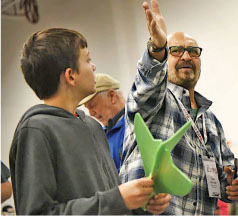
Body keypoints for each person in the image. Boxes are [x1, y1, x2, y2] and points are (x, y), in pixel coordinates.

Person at [9, 28, 171, 214]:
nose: (93, 67)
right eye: (87, 59)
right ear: (71, 75)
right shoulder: (36, 131)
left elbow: (108, 204)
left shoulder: (93, 126)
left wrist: (141, 206)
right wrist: (117, 199)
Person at [120, 0, 238, 215]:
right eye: (176, 51)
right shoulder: (156, 100)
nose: (186, 56)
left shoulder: (211, 122)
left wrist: (235, 187)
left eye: (193, 51)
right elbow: (147, 84)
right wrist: (157, 48)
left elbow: (224, 178)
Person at [79, 73, 126, 172]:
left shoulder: (133, 127)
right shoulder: (101, 135)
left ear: (112, 96)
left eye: (92, 105)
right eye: (87, 108)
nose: (91, 114)